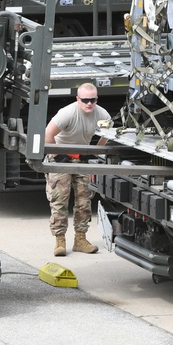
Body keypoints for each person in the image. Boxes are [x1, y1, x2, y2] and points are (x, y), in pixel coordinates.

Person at [44, 82, 111, 256]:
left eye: (93, 100)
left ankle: (80, 239)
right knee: (59, 201)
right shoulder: (67, 113)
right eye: (85, 100)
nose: (89, 103)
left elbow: (107, 134)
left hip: (82, 158)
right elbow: (48, 134)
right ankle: (60, 241)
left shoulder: (102, 114)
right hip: (61, 157)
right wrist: (58, 156)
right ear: (77, 99)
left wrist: (94, 152)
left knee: (84, 200)